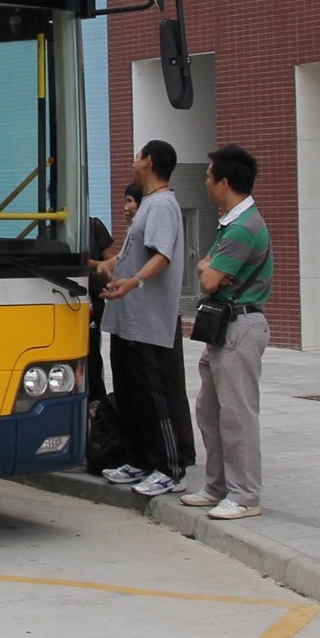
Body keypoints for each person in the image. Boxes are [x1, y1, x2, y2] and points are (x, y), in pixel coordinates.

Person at [91, 140, 189, 498]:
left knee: (154, 396)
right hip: (127, 320)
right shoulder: (148, 203)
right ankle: (140, 459)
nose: (134, 161)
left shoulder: (162, 205)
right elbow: (132, 253)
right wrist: (109, 266)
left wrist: (133, 281)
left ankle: (170, 468)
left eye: (137, 156)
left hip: (148, 321)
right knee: (131, 395)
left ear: (148, 161)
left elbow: (162, 256)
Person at [182, 145, 274, 521]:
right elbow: (207, 269)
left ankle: (245, 495)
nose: (205, 183)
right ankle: (217, 486)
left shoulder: (242, 229)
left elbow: (207, 279)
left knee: (237, 414)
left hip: (240, 327)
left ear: (224, 182)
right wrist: (211, 270)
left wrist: (210, 271)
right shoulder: (231, 224)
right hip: (225, 328)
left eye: (208, 177)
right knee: (209, 409)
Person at [82, 186, 132, 404]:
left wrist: (85, 263)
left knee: (92, 355)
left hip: (92, 301)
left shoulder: (94, 226)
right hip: (62, 299)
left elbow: (112, 266)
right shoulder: (49, 229)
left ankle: (97, 404)